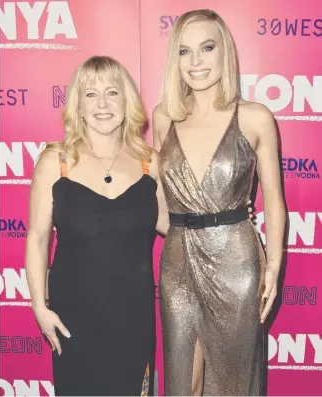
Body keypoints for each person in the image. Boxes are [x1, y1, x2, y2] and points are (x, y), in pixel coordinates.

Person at [153, 9, 286, 396]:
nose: (195, 62)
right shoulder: (165, 117)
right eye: (184, 51)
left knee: (234, 381)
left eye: (207, 48)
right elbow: (159, 201)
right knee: (183, 382)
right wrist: (188, 225)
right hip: (177, 263)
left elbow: (274, 202)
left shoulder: (255, 118)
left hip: (236, 263)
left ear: (224, 51)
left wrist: (272, 265)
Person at [25, 56, 169, 396]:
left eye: (112, 93)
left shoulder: (150, 163)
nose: (102, 104)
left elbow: (172, 224)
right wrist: (39, 307)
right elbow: (37, 237)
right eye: (91, 94)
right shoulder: (55, 161)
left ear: (127, 101)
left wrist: (228, 217)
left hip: (133, 316)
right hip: (74, 316)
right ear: (78, 104)